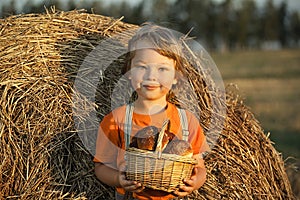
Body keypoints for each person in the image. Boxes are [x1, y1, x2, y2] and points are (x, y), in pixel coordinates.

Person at [94, 23, 209, 200]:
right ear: (129, 72)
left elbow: (199, 166)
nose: (151, 76)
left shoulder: (187, 121)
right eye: (141, 67)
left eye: (162, 69)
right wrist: (118, 178)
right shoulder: (115, 120)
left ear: (176, 77)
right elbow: (101, 167)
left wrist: (195, 181)